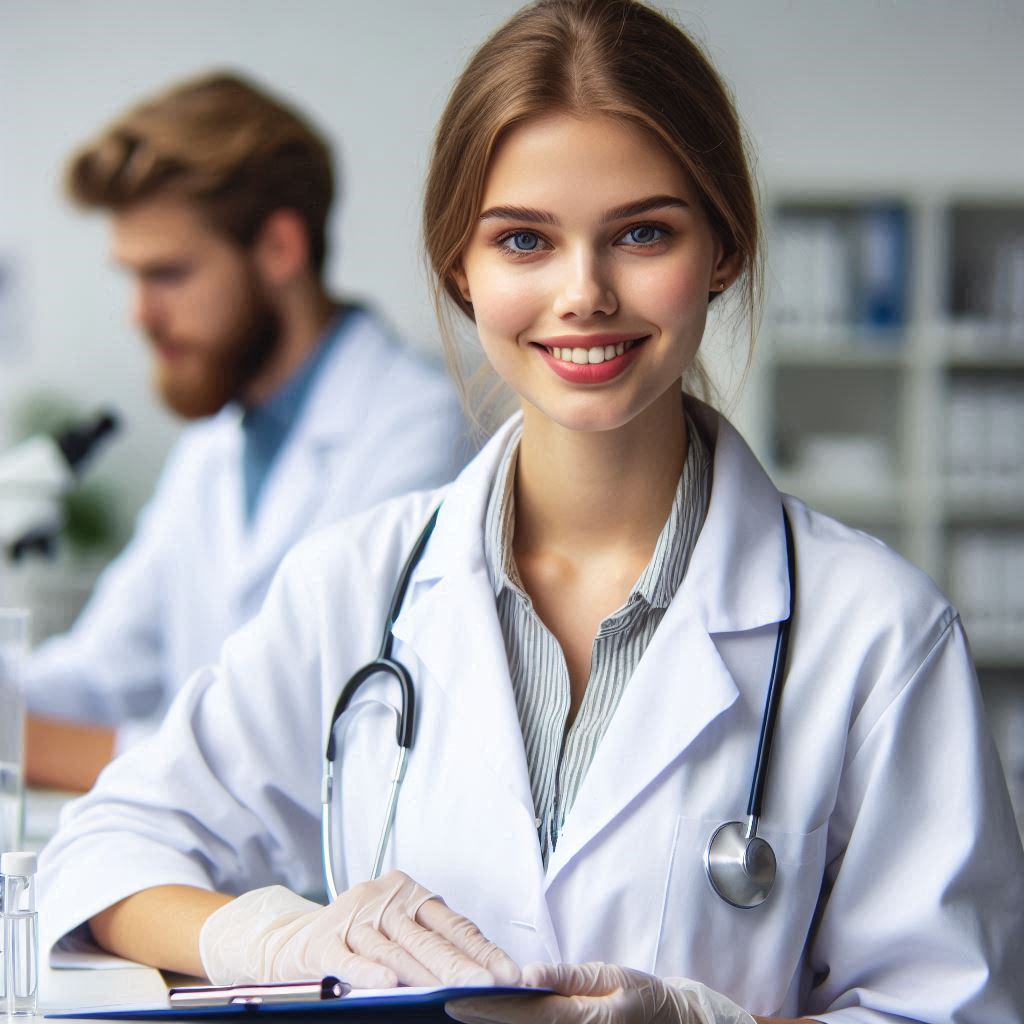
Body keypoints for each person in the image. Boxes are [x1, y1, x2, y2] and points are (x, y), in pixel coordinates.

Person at [38, 2, 1024, 1022]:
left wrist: (704, 1022)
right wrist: (264, 933)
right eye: (523, 240)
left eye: (643, 232)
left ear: (723, 249)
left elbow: (954, 1006)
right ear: (459, 269)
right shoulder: (357, 583)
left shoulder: (878, 632)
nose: (583, 292)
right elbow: (106, 850)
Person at [23, 72, 468, 791]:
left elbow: (301, 744)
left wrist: (33, 745)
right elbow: (97, 677)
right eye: (130, 277)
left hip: (326, 895)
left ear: (280, 248)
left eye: (167, 273)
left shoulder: (420, 430)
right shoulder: (218, 443)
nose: (140, 313)